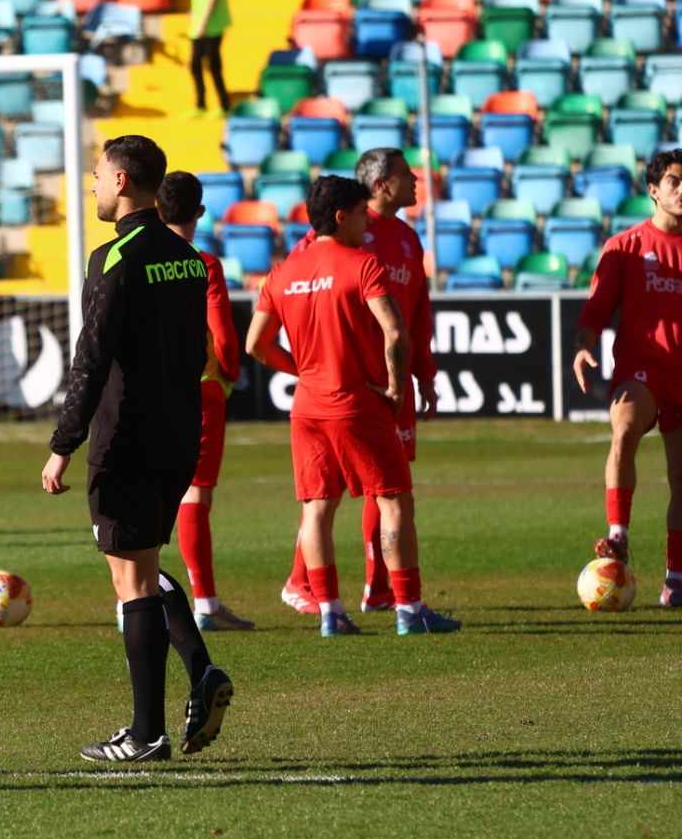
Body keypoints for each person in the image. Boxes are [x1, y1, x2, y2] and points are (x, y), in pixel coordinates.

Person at [41, 136, 234, 766]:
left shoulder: (113, 257)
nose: (92, 185)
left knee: (131, 581)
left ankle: (146, 732)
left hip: (124, 437)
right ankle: (200, 673)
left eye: (97, 175)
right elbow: (196, 352)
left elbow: (90, 359)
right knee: (142, 567)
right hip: (178, 436)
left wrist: (62, 445)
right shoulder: (185, 257)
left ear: (122, 181)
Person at [245, 176, 460, 637]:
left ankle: (330, 612)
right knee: (394, 501)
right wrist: (397, 390)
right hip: (357, 402)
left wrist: (302, 369)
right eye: (363, 213)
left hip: (307, 407)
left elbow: (256, 345)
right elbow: (396, 331)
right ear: (342, 216)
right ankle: (409, 608)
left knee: (317, 509)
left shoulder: (283, 273)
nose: (368, 222)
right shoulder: (364, 264)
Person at [278, 148, 438, 616]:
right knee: (349, 493)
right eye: (407, 175)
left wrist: (421, 372)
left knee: (380, 487)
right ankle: (304, 581)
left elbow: (417, 313)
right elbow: (299, 294)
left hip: (390, 380)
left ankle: (378, 587)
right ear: (381, 184)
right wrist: (312, 367)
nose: (415, 182)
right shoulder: (327, 240)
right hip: (352, 386)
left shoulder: (408, 238)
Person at [574, 147, 682, 603]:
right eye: (675, 181)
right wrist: (582, 346)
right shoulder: (625, 247)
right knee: (623, 430)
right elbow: (596, 308)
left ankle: (675, 579)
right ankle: (617, 534)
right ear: (654, 191)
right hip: (644, 368)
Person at [155, 171, 253, 633]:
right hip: (199, 390)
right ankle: (206, 603)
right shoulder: (205, 264)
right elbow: (223, 336)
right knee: (195, 494)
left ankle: (130, 600)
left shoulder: (136, 260)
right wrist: (229, 373)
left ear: (156, 210)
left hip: (147, 391)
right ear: (199, 212)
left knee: (144, 494)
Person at [187, 0, 231, 117]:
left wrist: (203, 21)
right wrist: (193, 13)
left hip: (211, 26)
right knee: (195, 65)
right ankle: (201, 103)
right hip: (198, 26)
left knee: (213, 65)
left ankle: (224, 104)